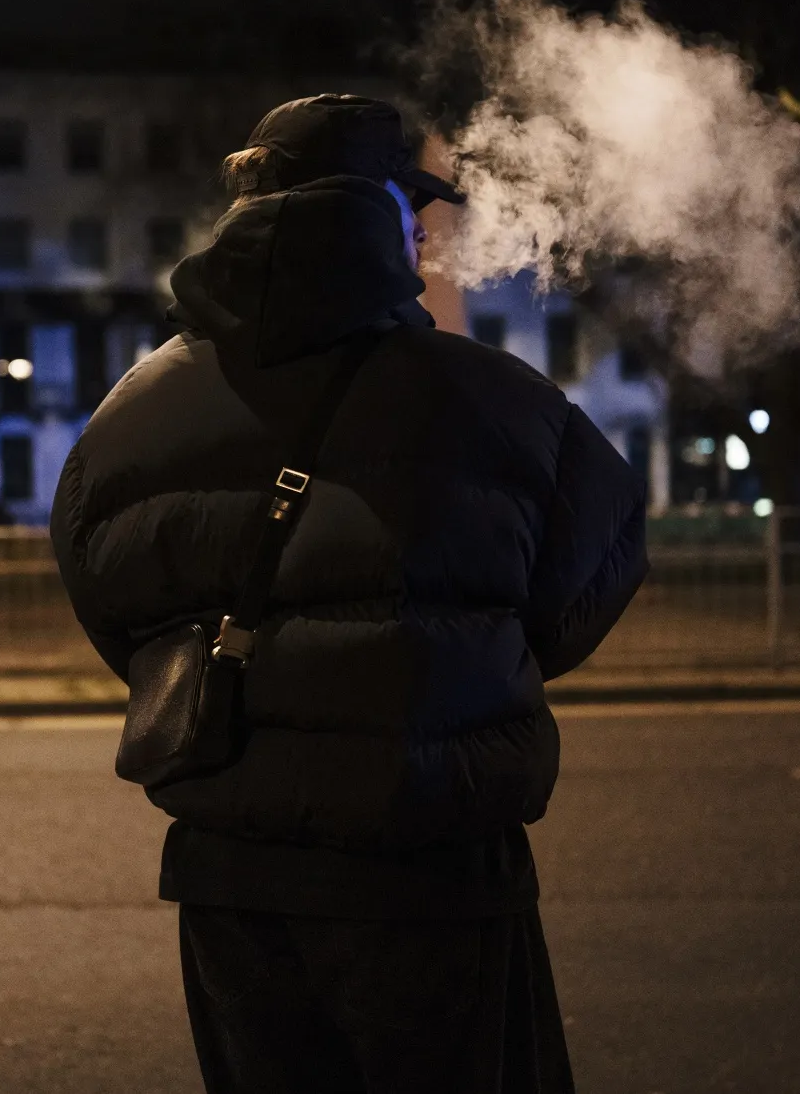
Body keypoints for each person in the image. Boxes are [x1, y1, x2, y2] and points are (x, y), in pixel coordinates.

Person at [50, 94, 648, 1093]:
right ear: (375, 213)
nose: (425, 234)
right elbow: (589, 576)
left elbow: (116, 611)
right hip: (432, 866)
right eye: (411, 209)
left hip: (232, 873)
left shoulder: (130, 411)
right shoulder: (486, 398)